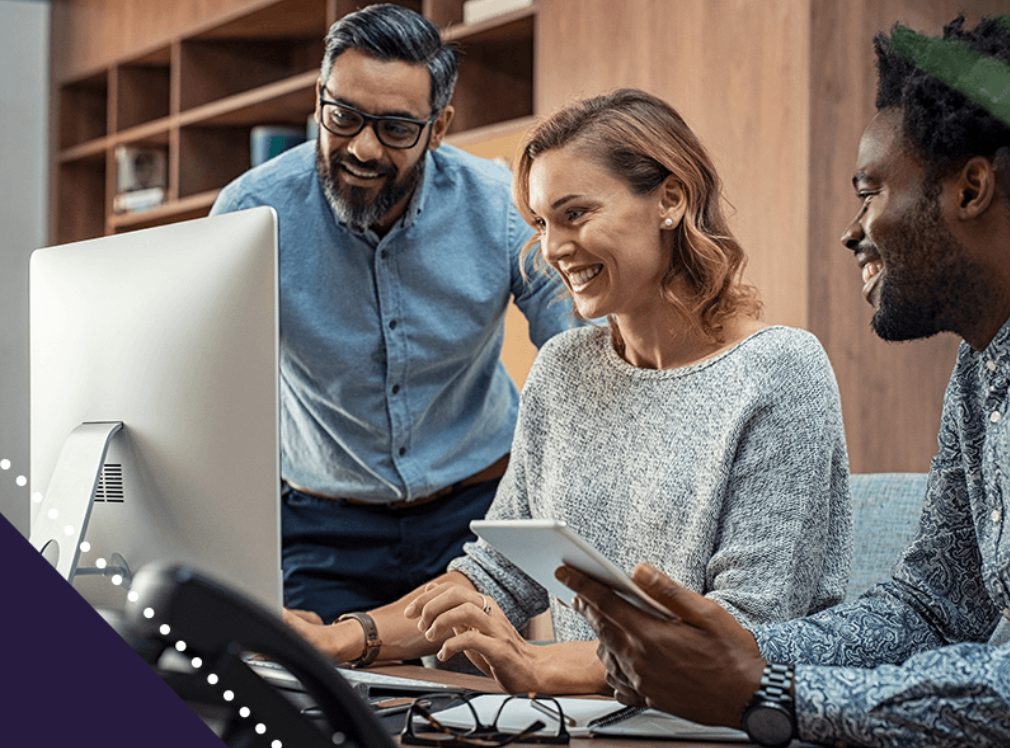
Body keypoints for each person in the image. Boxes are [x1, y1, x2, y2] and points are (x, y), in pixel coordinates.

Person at [284, 88, 852, 694]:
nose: (552, 249)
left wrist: (541, 666)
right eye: (541, 223)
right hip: (589, 718)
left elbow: (745, 632)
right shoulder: (562, 368)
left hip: (727, 723)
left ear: (670, 199)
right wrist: (347, 637)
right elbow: (496, 574)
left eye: (575, 214)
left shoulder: (781, 371)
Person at [561, 15, 1010, 747]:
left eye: (870, 191)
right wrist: (719, 656)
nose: (853, 229)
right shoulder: (980, 362)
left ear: (972, 189)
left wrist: (772, 690)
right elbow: (932, 606)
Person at [209, 4, 574, 623]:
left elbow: (579, 348)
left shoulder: (499, 208)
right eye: (343, 116)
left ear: (439, 126)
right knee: (323, 708)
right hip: (323, 530)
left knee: (480, 711)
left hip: (477, 520)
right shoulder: (250, 215)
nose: (362, 147)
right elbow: (207, 382)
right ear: (319, 97)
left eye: (397, 128)